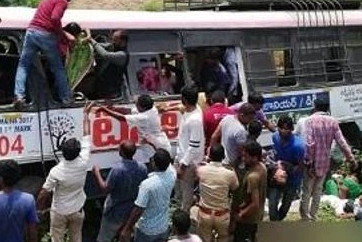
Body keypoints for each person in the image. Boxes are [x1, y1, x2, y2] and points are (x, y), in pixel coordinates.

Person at [38, 103, 93, 242]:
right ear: (77, 151)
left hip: (59, 212)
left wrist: (39, 208)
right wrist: (85, 115)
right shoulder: (83, 161)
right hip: (77, 211)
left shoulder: (56, 171)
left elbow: (44, 192)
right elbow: (87, 135)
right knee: (76, 241)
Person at [120, 149, 177, 242]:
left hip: (146, 229)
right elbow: (170, 163)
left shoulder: (147, 184)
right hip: (163, 227)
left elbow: (138, 209)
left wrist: (127, 228)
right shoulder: (172, 175)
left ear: (154, 164)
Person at [14, 0, 78, 107]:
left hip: (31, 32)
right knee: (58, 68)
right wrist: (62, 35)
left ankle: (19, 95)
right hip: (45, 35)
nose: (70, 0)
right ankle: (66, 98)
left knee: (23, 65)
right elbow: (54, 18)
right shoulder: (62, 1)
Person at [300, 98, 357, 221]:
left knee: (307, 190)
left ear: (315, 107)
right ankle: (313, 215)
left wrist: (309, 162)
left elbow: (309, 143)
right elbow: (342, 142)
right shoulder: (333, 121)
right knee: (318, 190)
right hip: (325, 162)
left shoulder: (309, 121)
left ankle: (305, 217)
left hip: (312, 163)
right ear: (327, 108)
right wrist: (351, 158)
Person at [92, 140, 148, 242]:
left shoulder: (117, 170)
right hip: (132, 210)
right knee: (126, 238)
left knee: (104, 240)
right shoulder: (142, 168)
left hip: (114, 210)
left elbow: (105, 189)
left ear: (121, 152)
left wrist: (97, 173)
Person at [193, 144, 238, 242]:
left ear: (209, 155)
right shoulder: (229, 174)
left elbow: (197, 172)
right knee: (222, 239)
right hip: (222, 215)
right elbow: (235, 187)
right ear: (223, 156)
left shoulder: (201, 170)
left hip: (205, 213)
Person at [233, 141, 267, 242]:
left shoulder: (253, 176)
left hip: (249, 217)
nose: (243, 158)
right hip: (257, 216)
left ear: (254, 157)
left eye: (246, 156)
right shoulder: (262, 168)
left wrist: (240, 214)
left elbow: (254, 203)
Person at [99, 94, 171, 153]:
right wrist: (113, 108)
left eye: (137, 105)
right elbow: (129, 111)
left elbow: (122, 118)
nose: (135, 106)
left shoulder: (144, 117)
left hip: (156, 148)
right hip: (156, 145)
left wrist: (105, 110)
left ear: (142, 107)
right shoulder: (151, 109)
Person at [267, 116, 305, 221]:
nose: (283, 131)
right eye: (281, 128)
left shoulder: (298, 146)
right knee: (272, 203)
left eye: (287, 128)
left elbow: (301, 165)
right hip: (278, 174)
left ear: (292, 129)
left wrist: (290, 170)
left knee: (286, 205)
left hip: (293, 178)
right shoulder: (275, 137)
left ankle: (279, 221)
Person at [174, 85, 204, 213]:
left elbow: (194, 146)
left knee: (186, 195)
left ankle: (184, 220)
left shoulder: (195, 120)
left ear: (184, 99)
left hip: (188, 163)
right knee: (178, 192)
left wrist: (182, 166)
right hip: (180, 157)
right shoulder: (193, 110)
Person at [209, 103, 256, 170]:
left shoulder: (227, 118)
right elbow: (241, 153)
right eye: (249, 118)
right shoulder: (240, 130)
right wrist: (235, 166)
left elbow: (214, 136)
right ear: (242, 115)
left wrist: (211, 154)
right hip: (232, 163)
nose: (250, 121)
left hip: (222, 161)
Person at [89, 30, 129, 99]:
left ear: (123, 41)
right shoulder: (112, 46)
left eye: (115, 39)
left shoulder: (123, 55)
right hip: (101, 89)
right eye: (112, 38)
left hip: (111, 93)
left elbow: (105, 55)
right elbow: (101, 45)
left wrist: (91, 40)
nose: (113, 41)